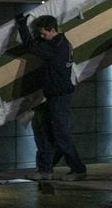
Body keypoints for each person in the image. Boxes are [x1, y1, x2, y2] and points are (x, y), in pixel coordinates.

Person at [15, 14, 86, 181]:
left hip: (59, 96)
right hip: (56, 95)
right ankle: (46, 170)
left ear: (53, 30)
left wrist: (22, 26)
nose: (41, 36)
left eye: (43, 33)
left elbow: (31, 47)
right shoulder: (60, 43)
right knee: (47, 132)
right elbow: (38, 45)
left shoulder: (56, 47)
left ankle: (77, 169)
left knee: (61, 134)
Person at [26, 101, 63, 180]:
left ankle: (45, 169)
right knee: (42, 137)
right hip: (40, 103)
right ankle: (44, 168)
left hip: (42, 102)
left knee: (44, 137)